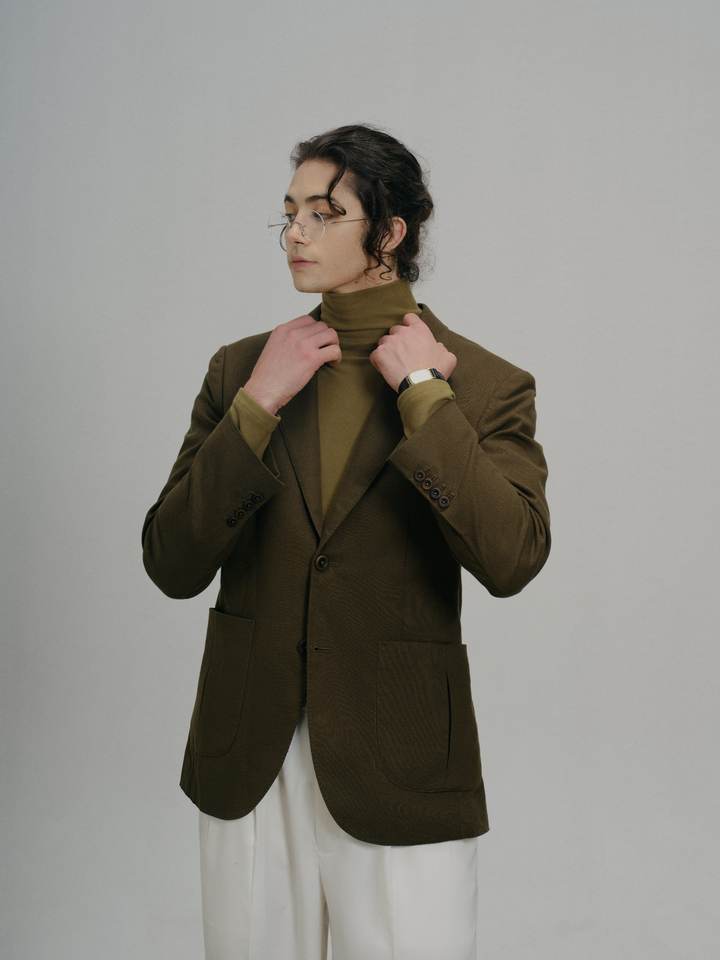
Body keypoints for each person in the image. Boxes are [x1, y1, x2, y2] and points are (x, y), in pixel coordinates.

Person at [141, 123, 552, 960]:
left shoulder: (485, 383)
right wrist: (255, 407)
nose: (295, 233)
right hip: (250, 747)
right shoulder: (241, 370)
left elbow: (512, 558)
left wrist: (426, 395)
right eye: (289, 212)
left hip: (399, 748)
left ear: (390, 232)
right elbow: (170, 561)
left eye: (323, 214)